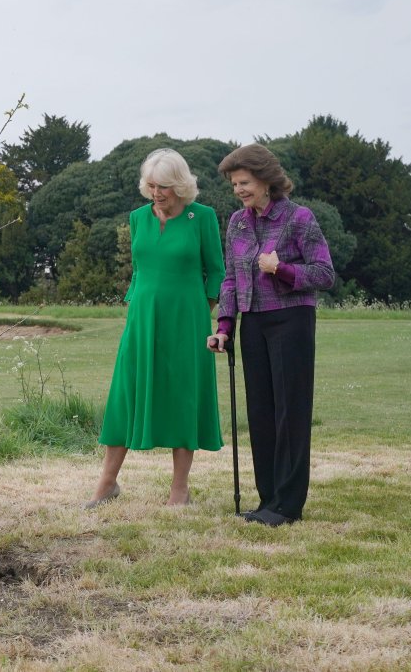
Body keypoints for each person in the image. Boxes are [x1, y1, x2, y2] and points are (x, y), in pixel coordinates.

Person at [86, 149, 225, 509]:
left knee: (183, 395)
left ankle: (179, 490)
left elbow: (217, 272)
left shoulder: (202, 217)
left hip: (188, 320)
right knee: (125, 395)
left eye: (164, 186)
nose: (157, 193)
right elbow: (140, 270)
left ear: (180, 185)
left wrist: (202, 309)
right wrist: (136, 305)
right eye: (151, 185)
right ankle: (107, 484)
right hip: (142, 320)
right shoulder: (137, 218)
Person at [207, 144, 334, 527]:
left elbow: (324, 274)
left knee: (289, 412)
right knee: (260, 413)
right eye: (234, 184)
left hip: (292, 319)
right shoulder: (237, 223)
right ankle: (268, 502)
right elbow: (231, 277)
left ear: (265, 180)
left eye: (244, 182)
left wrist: (283, 270)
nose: (238, 190)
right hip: (254, 323)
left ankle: (288, 505)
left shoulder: (299, 218)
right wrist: (225, 325)